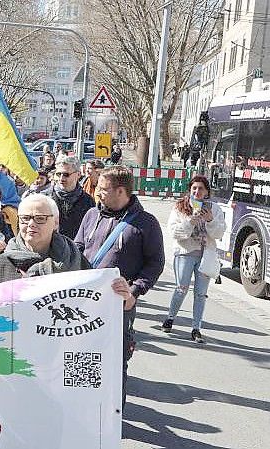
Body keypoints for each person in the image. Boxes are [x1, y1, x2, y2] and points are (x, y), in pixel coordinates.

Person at [74, 165, 165, 407]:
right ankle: (84, 412)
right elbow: (78, 249)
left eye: (103, 189)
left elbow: (155, 263)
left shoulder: (146, 223)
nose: (98, 193)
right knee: (80, 357)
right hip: (83, 302)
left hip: (118, 306)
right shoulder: (91, 215)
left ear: (121, 191)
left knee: (114, 362)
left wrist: (134, 292)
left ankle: (112, 421)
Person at [0, 193, 134, 316]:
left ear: (56, 223)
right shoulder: (2, 263)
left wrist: (124, 297)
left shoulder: (75, 260)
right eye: (25, 218)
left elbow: (99, 308)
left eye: (40, 218)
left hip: (61, 348)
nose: (31, 224)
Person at [162, 176, 225, 343]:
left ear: (207, 192)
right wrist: (190, 222)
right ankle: (170, 317)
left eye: (201, 189)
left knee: (201, 294)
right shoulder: (180, 207)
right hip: (185, 252)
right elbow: (173, 232)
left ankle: (196, 328)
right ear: (190, 190)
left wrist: (210, 220)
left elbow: (219, 234)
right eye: (194, 188)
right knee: (181, 288)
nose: (197, 192)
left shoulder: (215, 209)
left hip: (206, 255)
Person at [50, 155, 95, 239]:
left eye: (66, 174)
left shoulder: (88, 201)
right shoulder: (46, 198)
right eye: (59, 174)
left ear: (78, 175)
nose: (61, 178)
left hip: (76, 248)